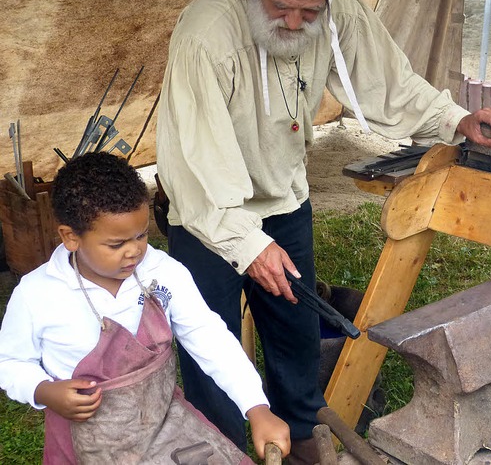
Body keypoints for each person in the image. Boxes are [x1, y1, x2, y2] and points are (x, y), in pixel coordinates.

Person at [156, 0, 491, 462]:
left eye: (309, 11)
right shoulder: (207, 33)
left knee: (295, 334)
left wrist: (454, 118)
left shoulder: (337, 10)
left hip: (285, 200)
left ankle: (300, 439)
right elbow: (196, 155)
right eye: (280, 8)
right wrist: (246, 244)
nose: (295, 22)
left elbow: (387, 79)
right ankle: (222, 448)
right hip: (208, 215)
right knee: (211, 345)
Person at [0, 152, 290, 464]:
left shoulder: (162, 271)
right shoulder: (37, 293)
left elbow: (210, 338)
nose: (134, 251)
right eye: (116, 244)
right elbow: (10, 361)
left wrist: (256, 406)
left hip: (164, 424)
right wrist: (43, 390)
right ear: (71, 237)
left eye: (141, 235)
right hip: (85, 441)